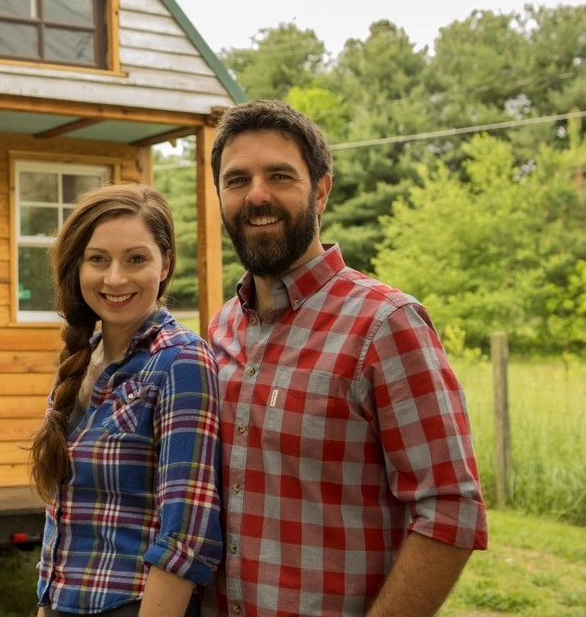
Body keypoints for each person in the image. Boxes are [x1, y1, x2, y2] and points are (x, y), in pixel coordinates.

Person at [203, 100, 488, 616]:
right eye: (237, 180)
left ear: (321, 191)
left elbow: (451, 509)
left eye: (279, 176)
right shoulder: (222, 327)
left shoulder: (385, 324)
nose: (257, 194)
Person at [31, 183, 224, 617]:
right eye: (98, 259)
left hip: (134, 605)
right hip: (64, 603)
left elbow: (187, 536)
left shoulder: (181, 362)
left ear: (165, 263)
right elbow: (60, 516)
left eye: (136, 259)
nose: (115, 278)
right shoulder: (81, 359)